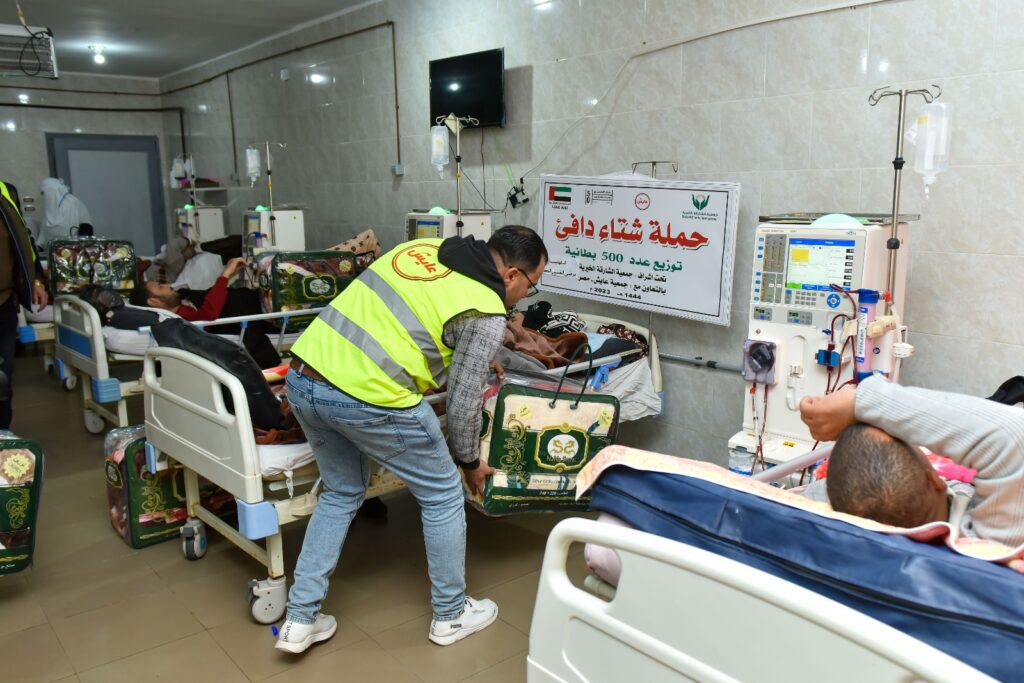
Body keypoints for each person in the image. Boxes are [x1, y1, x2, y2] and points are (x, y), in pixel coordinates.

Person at [274, 225, 547, 654]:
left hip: (305, 376)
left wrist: (477, 357)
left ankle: (299, 620)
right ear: (511, 274)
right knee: (442, 494)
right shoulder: (487, 312)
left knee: (342, 492)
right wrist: (469, 463)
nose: (525, 296)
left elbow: (409, 322)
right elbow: (461, 404)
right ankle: (451, 615)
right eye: (531, 285)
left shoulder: (425, 248)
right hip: (368, 396)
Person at [800, 375, 1024, 547]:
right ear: (935, 479)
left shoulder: (818, 509)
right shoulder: (993, 543)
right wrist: (860, 402)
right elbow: (1015, 435)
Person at [130, 257, 280, 367]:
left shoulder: (182, 297)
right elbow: (208, 315)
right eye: (160, 287)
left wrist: (228, 277)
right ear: (154, 302)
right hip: (265, 312)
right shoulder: (179, 319)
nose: (168, 285)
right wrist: (225, 275)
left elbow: (209, 297)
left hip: (259, 297)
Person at [0, 180, 48, 430]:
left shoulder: (5, 191)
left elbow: (23, 239)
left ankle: (2, 436)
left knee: (3, 377)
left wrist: (35, 279)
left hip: (3, 302)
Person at [37, 178, 91, 248]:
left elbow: (87, 230)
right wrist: (39, 246)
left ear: (52, 191)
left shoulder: (75, 204)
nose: (43, 197)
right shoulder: (50, 210)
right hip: (52, 250)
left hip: (75, 250)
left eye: (43, 193)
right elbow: (43, 234)